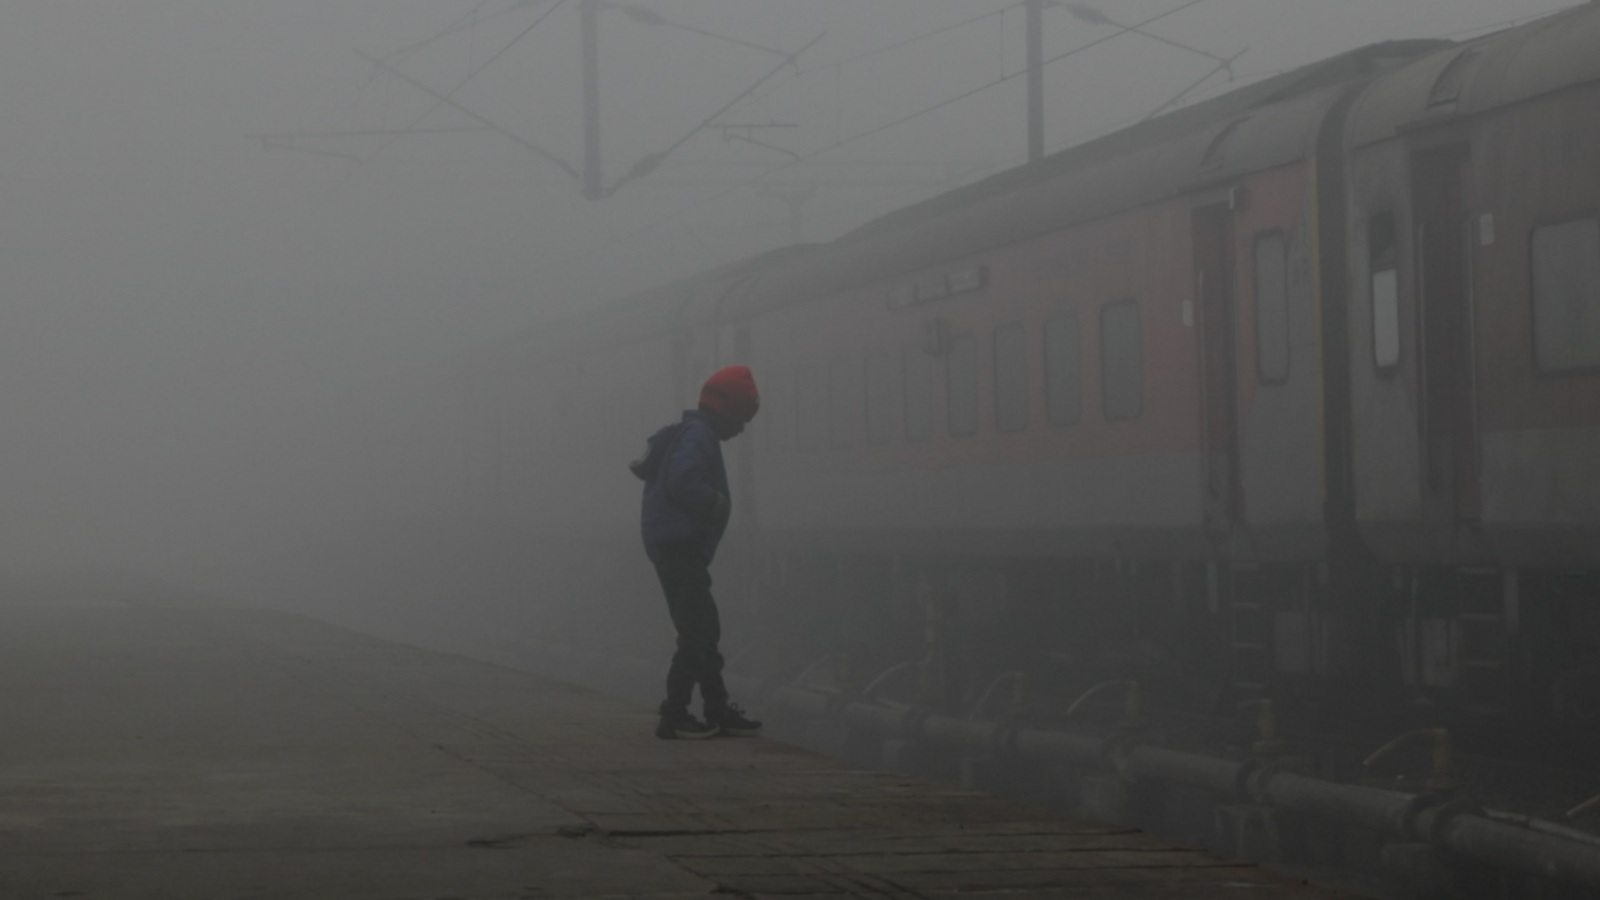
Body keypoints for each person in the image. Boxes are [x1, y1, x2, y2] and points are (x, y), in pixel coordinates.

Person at [635, 365, 764, 740]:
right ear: (727, 411)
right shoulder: (700, 436)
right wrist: (716, 505)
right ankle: (674, 713)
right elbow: (682, 481)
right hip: (678, 546)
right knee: (698, 631)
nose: (741, 430)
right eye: (741, 420)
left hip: (674, 545)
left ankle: (717, 708)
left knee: (703, 629)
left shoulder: (694, 432)